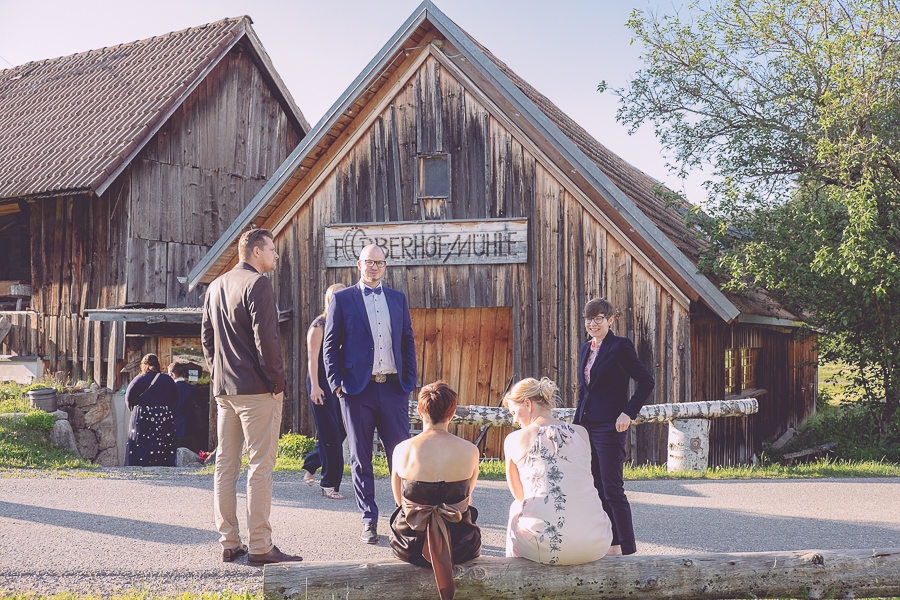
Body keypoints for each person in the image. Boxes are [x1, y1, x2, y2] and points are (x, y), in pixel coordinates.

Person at [201, 228, 301, 566]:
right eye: (272, 249)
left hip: (225, 390)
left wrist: (217, 373)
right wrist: (277, 381)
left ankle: (229, 542)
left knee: (225, 467)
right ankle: (260, 546)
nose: (275, 255)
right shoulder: (258, 284)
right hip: (257, 390)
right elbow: (267, 339)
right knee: (260, 467)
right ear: (256, 251)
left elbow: (206, 337)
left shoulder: (215, 286)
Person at [323, 243, 417, 544]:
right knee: (361, 457)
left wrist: (409, 381)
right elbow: (330, 346)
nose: (374, 267)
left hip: (393, 389)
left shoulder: (398, 299)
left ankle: (407, 517)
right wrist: (337, 385)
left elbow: (407, 341)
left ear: (385, 266)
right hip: (355, 391)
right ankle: (369, 519)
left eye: (379, 262)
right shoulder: (342, 299)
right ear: (359, 264)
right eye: (368, 262)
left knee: (400, 458)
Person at [574, 298, 655, 556]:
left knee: (613, 490)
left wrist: (627, 413)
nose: (593, 323)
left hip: (610, 426)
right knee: (595, 487)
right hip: (586, 426)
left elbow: (646, 382)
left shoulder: (620, 346)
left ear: (610, 320)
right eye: (589, 319)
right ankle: (612, 546)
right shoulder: (585, 348)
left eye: (599, 318)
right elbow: (584, 390)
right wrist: (577, 423)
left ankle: (629, 552)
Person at [504, 377, 613, 565]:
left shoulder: (514, 439)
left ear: (528, 404)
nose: (514, 420)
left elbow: (519, 495)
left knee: (516, 507)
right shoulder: (581, 433)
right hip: (595, 544)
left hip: (544, 548)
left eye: (514, 412)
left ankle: (514, 577)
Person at [389, 381, 481, 600]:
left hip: (410, 544)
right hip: (458, 546)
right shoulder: (470, 450)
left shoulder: (402, 449)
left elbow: (399, 501)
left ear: (420, 411)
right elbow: (468, 497)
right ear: (452, 413)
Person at [301, 283, 347, 500]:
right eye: (335, 297)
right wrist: (316, 387)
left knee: (342, 429)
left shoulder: (345, 324)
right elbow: (312, 360)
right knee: (330, 434)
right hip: (320, 384)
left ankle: (311, 463)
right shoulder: (319, 325)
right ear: (329, 300)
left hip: (338, 384)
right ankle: (329, 484)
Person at [124, 353, 178, 467]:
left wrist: (134, 411)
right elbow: (175, 397)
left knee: (142, 443)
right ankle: (163, 465)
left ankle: (139, 466)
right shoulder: (167, 379)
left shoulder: (138, 379)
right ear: (158, 365)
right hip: (163, 414)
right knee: (161, 442)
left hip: (143, 414)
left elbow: (129, 398)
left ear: (143, 366)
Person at [168, 362, 199, 451]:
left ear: (173, 374)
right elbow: (199, 405)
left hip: (174, 424)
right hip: (191, 424)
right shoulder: (193, 389)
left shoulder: (170, 389)